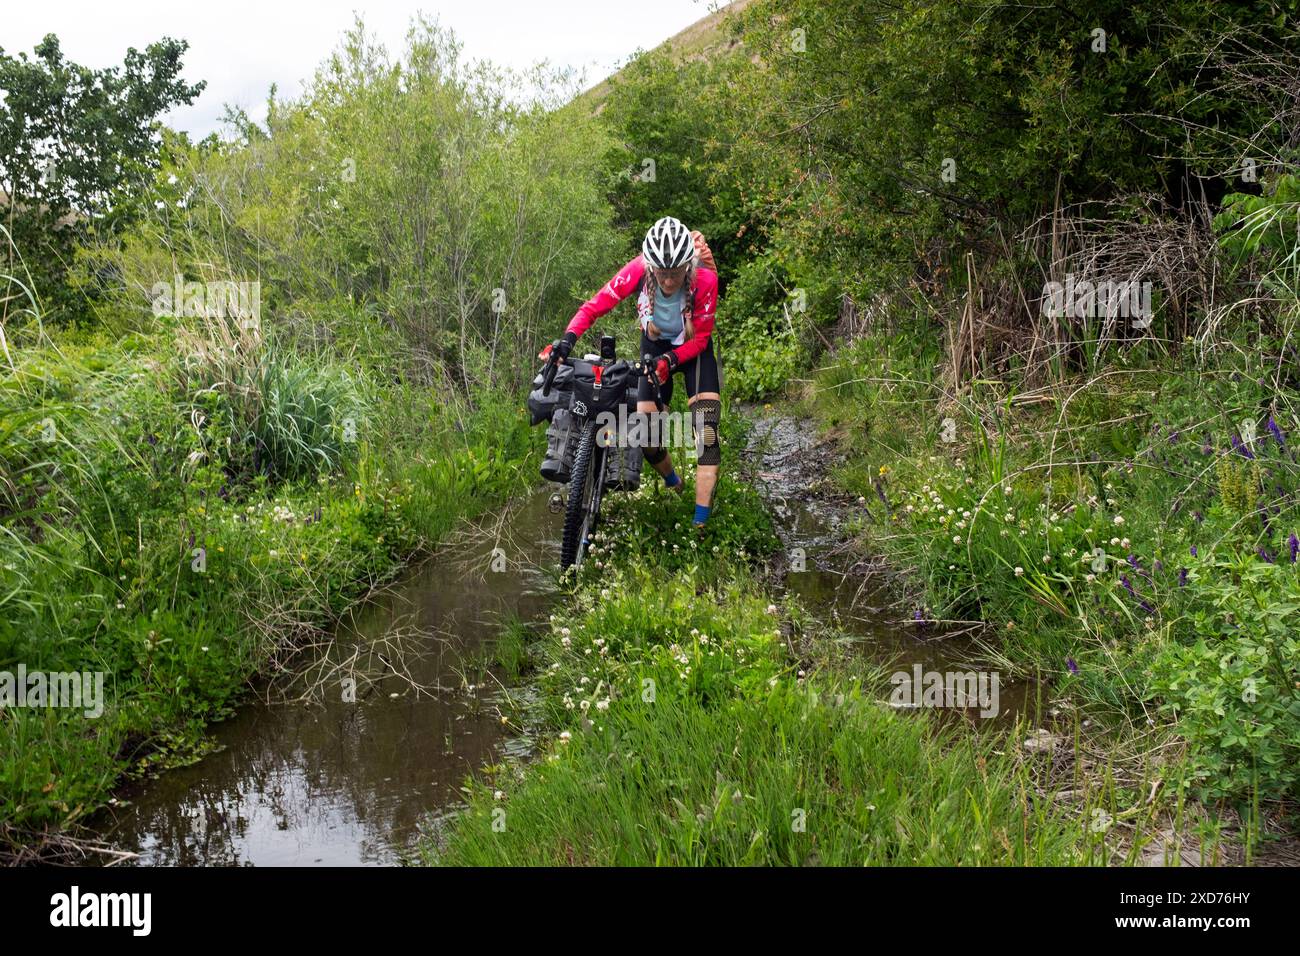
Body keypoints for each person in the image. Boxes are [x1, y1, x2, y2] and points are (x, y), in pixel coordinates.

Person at [541, 216, 722, 528]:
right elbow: (594, 306)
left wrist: (671, 361)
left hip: (693, 352)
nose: (668, 281)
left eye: (676, 273)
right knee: (648, 436)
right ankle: (672, 480)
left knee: (706, 434)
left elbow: (702, 339)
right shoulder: (638, 269)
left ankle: (700, 525)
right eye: (662, 274)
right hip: (654, 347)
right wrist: (566, 342)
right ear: (651, 266)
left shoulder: (705, 278)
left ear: (688, 266)